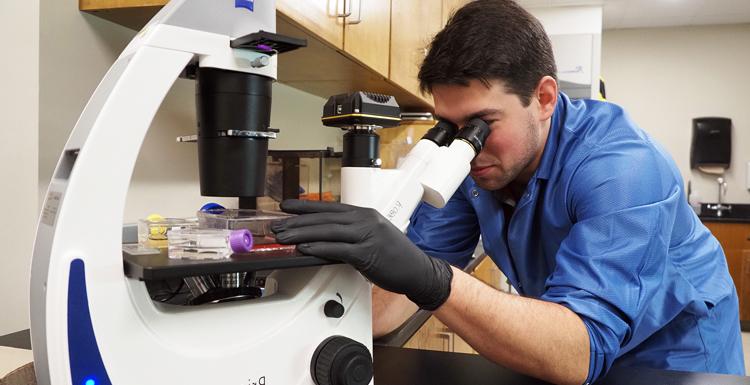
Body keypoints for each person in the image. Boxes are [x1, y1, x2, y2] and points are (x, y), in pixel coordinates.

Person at [271, 1, 745, 384]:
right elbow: (396, 300)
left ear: (543, 98)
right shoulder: (474, 162)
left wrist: (429, 278)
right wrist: (317, 282)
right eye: (451, 127)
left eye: (482, 125)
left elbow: (578, 353)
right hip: (566, 342)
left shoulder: (621, 168)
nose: (464, 146)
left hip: (672, 359)